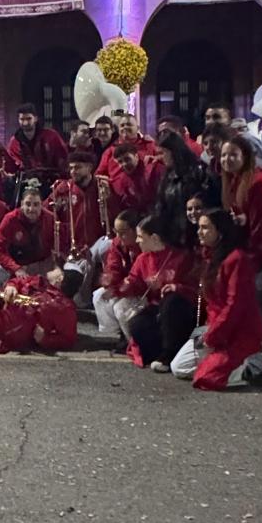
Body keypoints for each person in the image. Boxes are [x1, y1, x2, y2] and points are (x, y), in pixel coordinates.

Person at [170, 210, 262, 389]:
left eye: (205, 228)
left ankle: (253, 360)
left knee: (209, 377)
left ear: (220, 231)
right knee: (179, 367)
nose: (199, 232)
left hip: (237, 329)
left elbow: (235, 305)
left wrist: (213, 336)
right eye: (199, 227)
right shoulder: (209, 256)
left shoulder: (237, 259)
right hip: (214, 326)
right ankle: (234, 361)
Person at [220, 133, 262, 360]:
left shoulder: (259, 183)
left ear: (246, 156)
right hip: (251, 249)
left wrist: (251, 257)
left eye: (233, 155)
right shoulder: (234, 180)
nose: (227, 159)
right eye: (224, 155)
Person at [118, 214, 198, 372]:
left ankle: (169, 353)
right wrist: (124, 286)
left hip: (180, 310)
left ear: (154, 238)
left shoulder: (182, 258)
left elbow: (196, 288)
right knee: (137, 323)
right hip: (156, 308)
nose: (137, 241)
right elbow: (134, 282)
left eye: (141, 237)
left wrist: (176, 287)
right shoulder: (143, 259)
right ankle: (157, 354)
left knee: (171, 302)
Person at [49, 152, 104, 300]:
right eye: (71, 168)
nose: (73, 171)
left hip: (96, 245)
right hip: (74, 249)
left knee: (107, 245)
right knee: (73, 290)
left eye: (78, 167)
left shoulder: (101, 187)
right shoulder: (64, 188)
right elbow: (47, 210)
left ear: (89, 168)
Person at [0, 187, 55, 285]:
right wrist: (15, 268)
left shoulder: (50, 219)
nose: (31, 209)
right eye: (28, 204)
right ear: (22, 204)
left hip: (39, 265)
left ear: (42, 205)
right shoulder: (10, 219)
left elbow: (58, 248)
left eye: (36, 204)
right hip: (15, 265)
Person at [92, 210, 141, 342]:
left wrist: (117, 290)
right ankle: (113, 335)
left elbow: (137, 278)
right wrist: (109, 280)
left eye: (123, 232)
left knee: (120, 307)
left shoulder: (142, 246)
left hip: (138, 290)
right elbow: (113, 267)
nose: (118, 236)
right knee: (98, 296)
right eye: (116, 231)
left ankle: (131, 341)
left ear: (134, 230)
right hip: (122, 285)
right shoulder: (117, 243)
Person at [153, 131, 209, 245]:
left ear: (173, 151)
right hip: (173, 234)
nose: (161, 157)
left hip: (193, 234)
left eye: (163, 152)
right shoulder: (168, 175)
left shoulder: (197, 172)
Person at [7, 103, 69, 196]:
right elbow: (12, 166)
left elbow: (63, 160)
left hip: (52, 182)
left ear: (35, 118)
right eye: (22, 119)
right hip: (25, 185)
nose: (25, 123)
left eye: (28, 119)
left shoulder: (51, 136)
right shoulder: (14, 142)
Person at [98, 142, 159, 221]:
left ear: (136, 156)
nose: (124, 164)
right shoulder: (120, 182)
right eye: (120, 162)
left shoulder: (153, 171)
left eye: (127, 159)